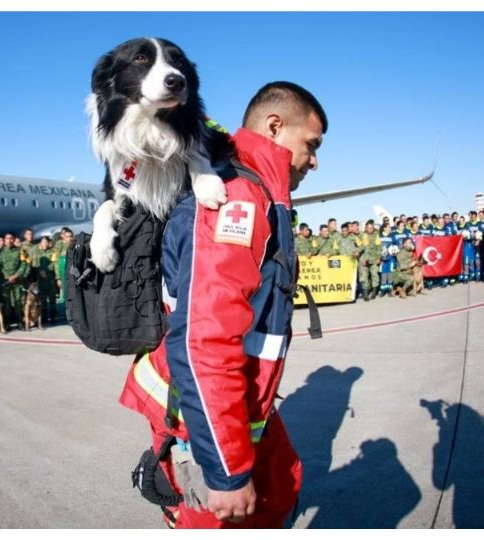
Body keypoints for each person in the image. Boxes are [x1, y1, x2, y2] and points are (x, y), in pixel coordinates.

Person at [118, 81, 325, 528]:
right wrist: (226, 471)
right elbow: (204, 344)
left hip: (236, 406)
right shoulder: (238, 201)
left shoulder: (261, 193)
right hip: (201, 417)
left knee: (282, 486)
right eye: (311, 145)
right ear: (275, 126)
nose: (315, 160)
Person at [0, 232, 30, 330]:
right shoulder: (0, 252)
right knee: (6, 302)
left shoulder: (20, 251)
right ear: (4, 240)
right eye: (7, 238)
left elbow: (24, 264)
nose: (9, 240)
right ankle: (7, 323)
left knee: (18, 302)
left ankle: (20, 322)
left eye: (11, 238)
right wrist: (8, 277)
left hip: (17, 281)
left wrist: (16, 275)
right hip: (5, 281)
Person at [33, 236, 59, 323]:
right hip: (40, 279)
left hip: (50, 278)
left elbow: (54, 263)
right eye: (43, 242)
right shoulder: (36, 252)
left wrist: (46, 270)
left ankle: (53, 317)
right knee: (42, 298)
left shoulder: (53, 251)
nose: (44, 244)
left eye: (46, 242)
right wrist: (40, 270)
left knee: (52, 298)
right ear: (40, 243)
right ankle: (43, 316)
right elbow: (35, 263)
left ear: (49, 243)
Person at [356, 219, 381, 301]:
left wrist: (379, 258)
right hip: (364, 260)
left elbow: (379, 248)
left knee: (374, 275)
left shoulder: (376, 235)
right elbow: (359, 247)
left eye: (371, 228)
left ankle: (374, 293)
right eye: (369, 228)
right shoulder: (361, 235)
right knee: (364, 277)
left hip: (374, 259)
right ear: (366, 228)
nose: (370, 229)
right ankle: (365, 294)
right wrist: (357, 253)